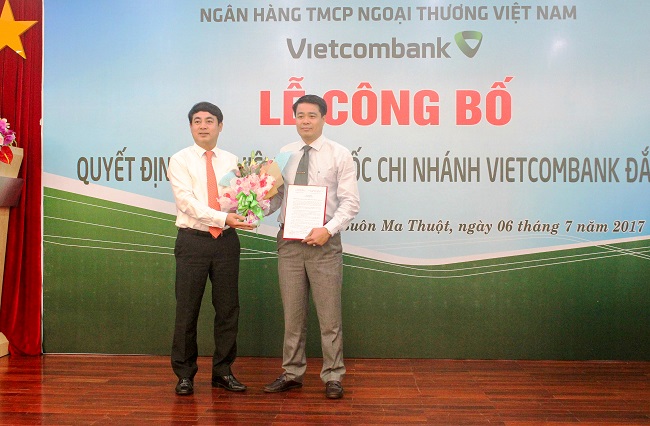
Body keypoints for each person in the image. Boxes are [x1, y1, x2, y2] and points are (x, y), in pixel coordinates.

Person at [264, 94, 360, 399]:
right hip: (289, 244)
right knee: (293, 316)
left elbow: (350, 202)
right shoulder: (285, 154)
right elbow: (278, 198)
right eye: (300, 115)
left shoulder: (339, 154)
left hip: (324, 245)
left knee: (329, 318)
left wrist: (328, 230)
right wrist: (254, 206)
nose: (305, 121)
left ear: (323, 118)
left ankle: (333, 375)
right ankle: (292, 373)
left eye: (312, 115)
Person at [167, 101, 255, 396]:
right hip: (193, 241)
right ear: (190, 126)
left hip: (226, 242)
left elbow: (240, 198)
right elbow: (186, 202)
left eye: (209, 121)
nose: (203, 126)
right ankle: (184, 374)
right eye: (197, 121)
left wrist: (250, 209)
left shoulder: (232, 161)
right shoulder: (180, 160)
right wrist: (222, 218)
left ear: (220, 125)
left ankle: (223, 372)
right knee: (187, 310)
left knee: (228, 309)